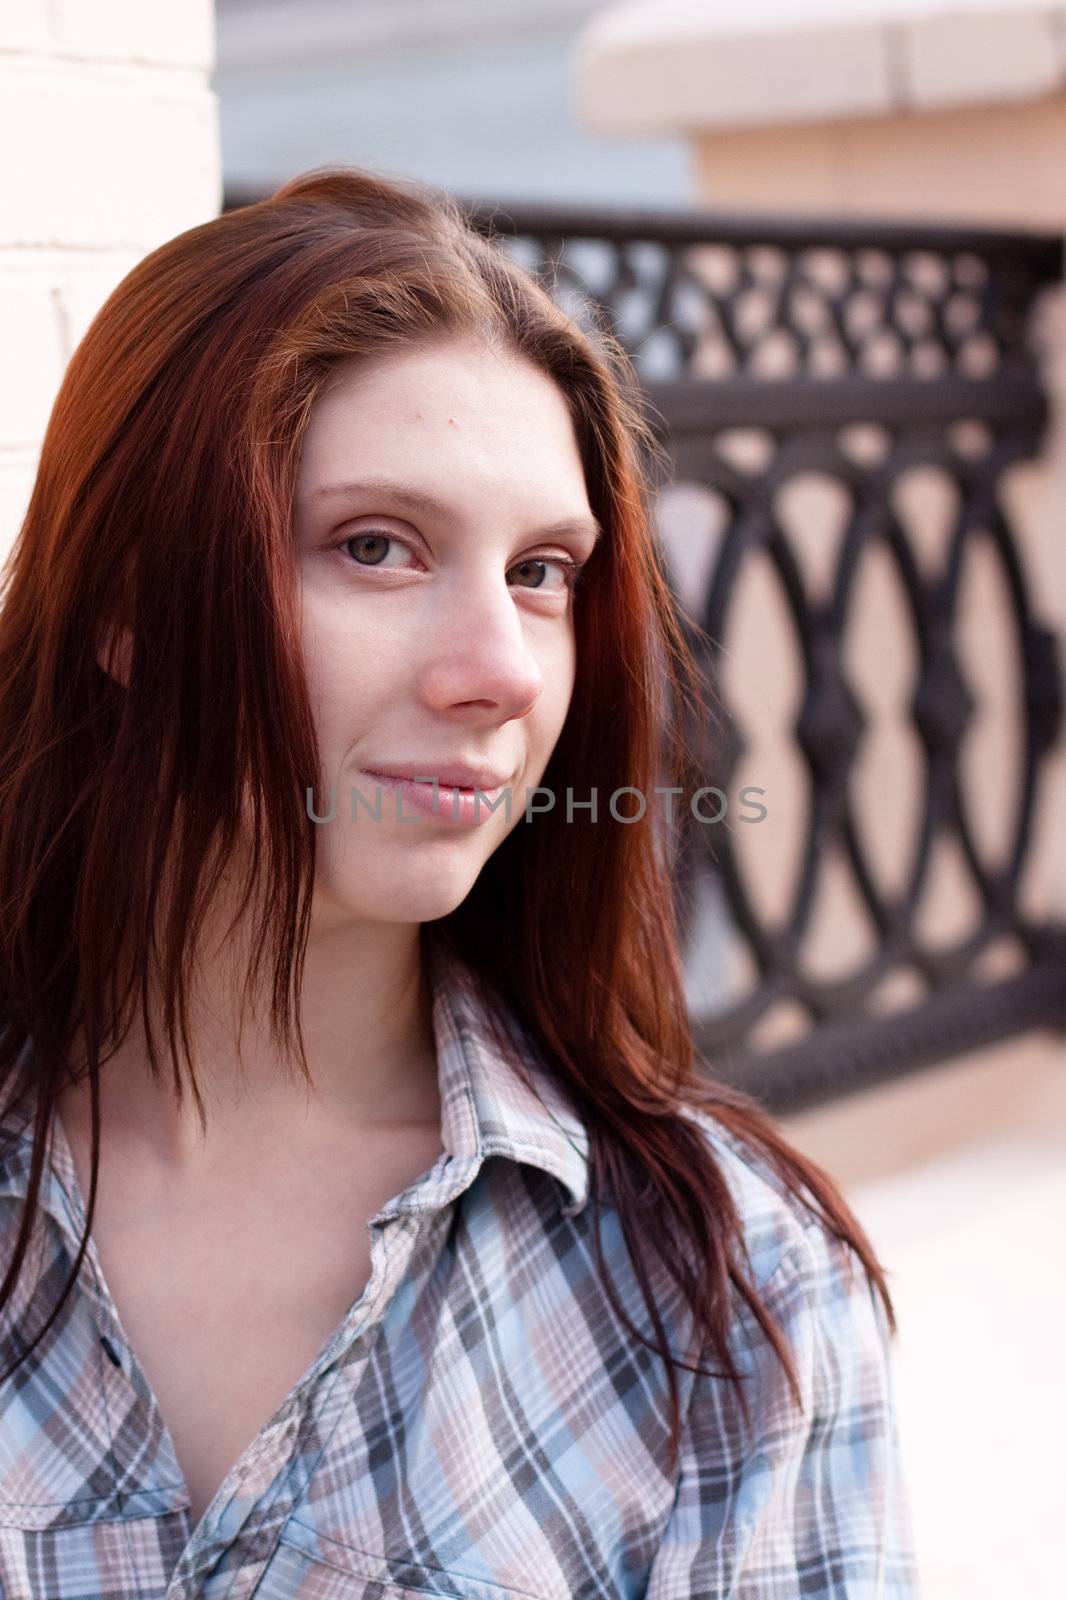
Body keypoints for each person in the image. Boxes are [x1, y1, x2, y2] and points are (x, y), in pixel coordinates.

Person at [0, 168, 920, 1598]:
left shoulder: (723, 1290)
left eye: (543, 571)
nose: (498, 673)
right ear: (125, 601)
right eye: (375, 547)